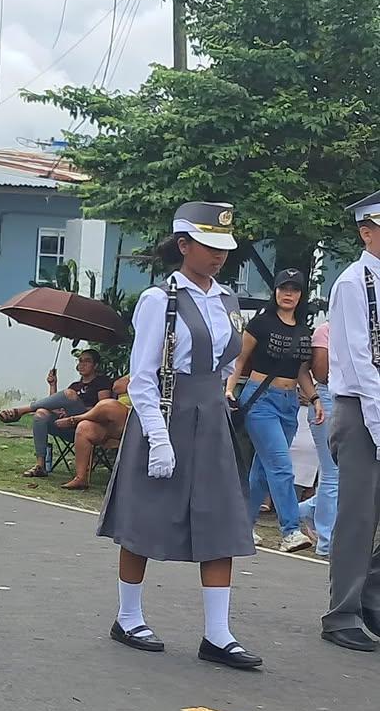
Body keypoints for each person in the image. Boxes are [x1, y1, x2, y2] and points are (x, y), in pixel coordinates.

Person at [97, 201, 261, 669]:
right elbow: (143, 375)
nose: (218, 255)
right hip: (166, 414)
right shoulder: (159, 300)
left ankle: (218, 633)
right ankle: (128, 617)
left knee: (222, 522)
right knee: (146, 517)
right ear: (184, 244)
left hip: (210, 415)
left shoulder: (227, 299)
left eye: (223, 247)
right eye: (208, 246)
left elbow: (229, 362)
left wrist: (224, 397)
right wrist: (157, 435)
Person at [321, 190, 380, 650]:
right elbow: (360, 362)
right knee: (358, 516)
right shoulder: (354, 283)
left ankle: (371, 595)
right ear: (366, 232)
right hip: (363, 411)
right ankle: (341, 613)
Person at [225, 268, 321, 553]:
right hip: (260, 399)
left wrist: (314, 398)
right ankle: (290, 530)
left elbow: (302, 372)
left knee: (263, 469)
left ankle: (242, 525)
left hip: (290, 402)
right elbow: (239, 360)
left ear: (301, 295)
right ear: (275, 292)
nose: (288, 293)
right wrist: (229, 388)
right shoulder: (261, 324)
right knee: (280, 464)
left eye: (294, 289)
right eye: (283, 288)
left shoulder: (305, 330)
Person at [0, 350, 114, 476]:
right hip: (67, 428)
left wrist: (77, 413)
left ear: (95, 365)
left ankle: (22, 411)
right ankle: (40, 466)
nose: (82, 364)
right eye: (80, 360)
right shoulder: (75, 385)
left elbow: (104, 409)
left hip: (87, 426)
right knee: (41, 414)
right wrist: (53, 385)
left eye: (87, 361)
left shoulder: (102, 382)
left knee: (69, 394)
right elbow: (54, 406)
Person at [297, 320, 338, 557]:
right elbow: (321, 373)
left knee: (344, 474)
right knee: (332, 472)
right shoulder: (326, 330)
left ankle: (305, 510)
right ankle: (326, 541)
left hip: (361, 400)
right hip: (327, 396)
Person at [54, 375, 131, 490]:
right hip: (112, 423)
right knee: (84, 427)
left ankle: (76, 419)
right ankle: (81, 478)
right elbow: (117, 387)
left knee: (108, 405)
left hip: (133, 419)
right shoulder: (137, 372)